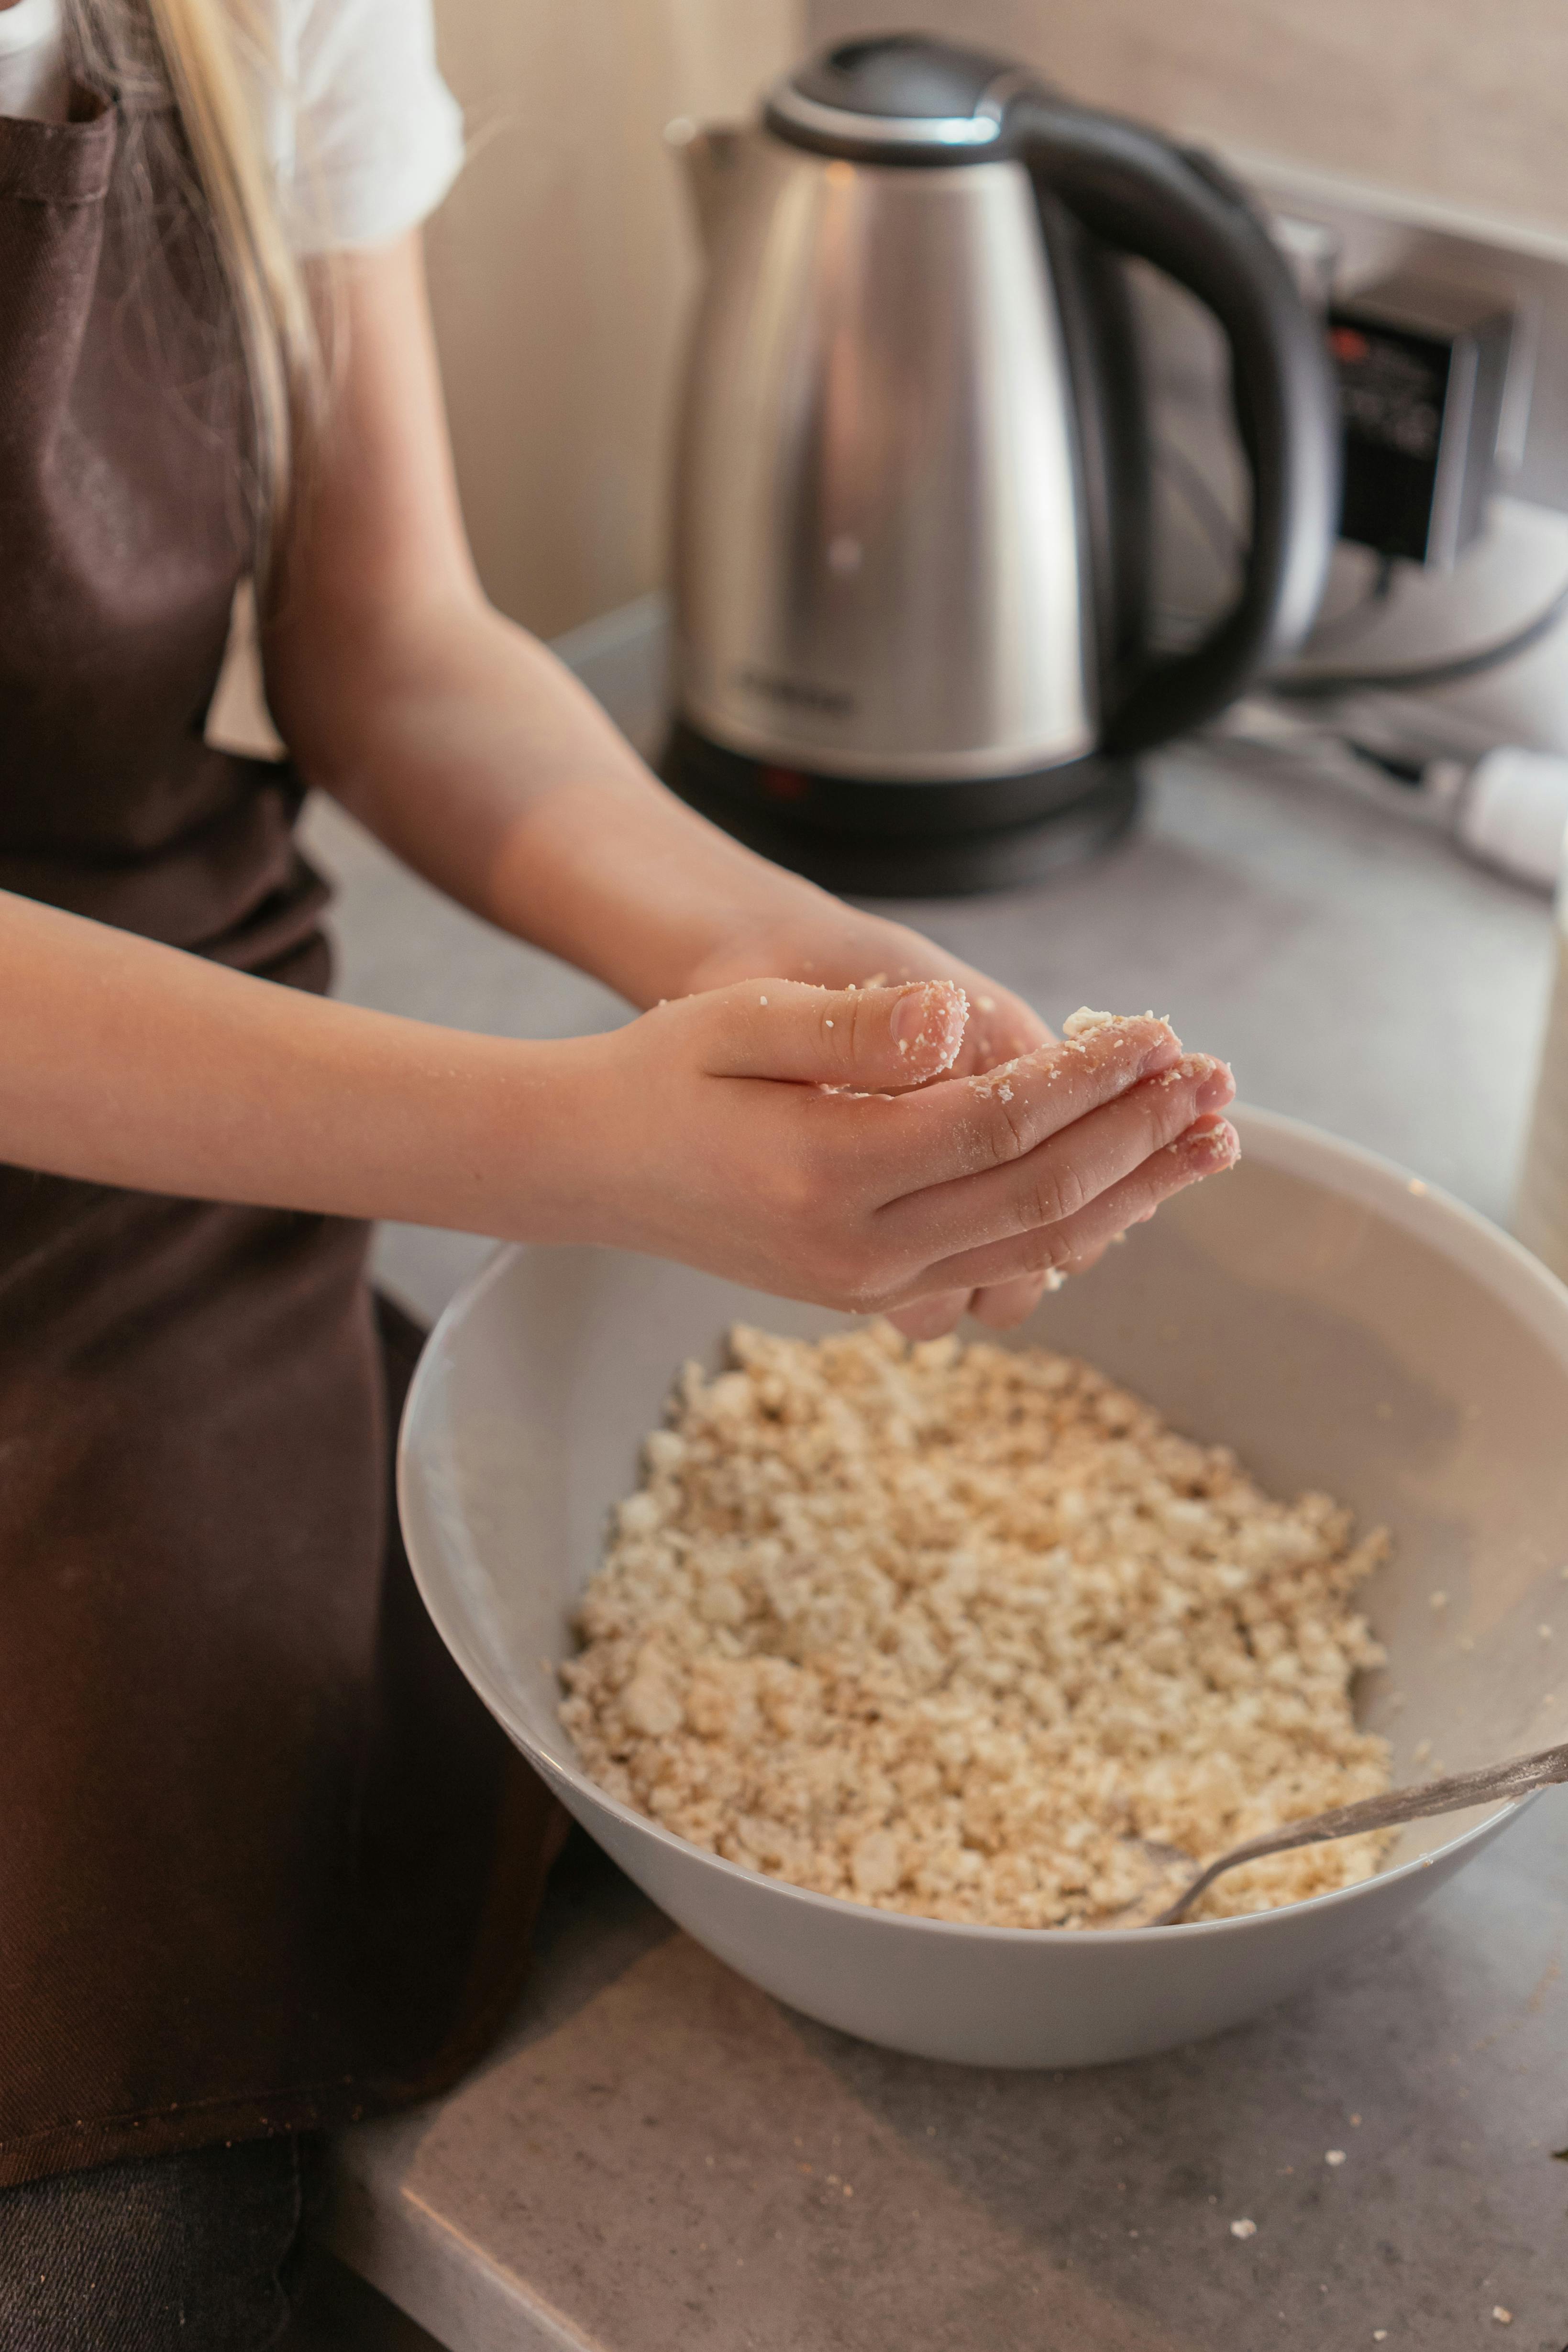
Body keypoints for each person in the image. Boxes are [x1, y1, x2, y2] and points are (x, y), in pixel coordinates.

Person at [0, 0, 1239, 2341]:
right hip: (252, 1081)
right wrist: (559, 1144)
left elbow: (391, 639)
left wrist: (760, 961)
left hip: (178, 1158)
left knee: (123, 2220)